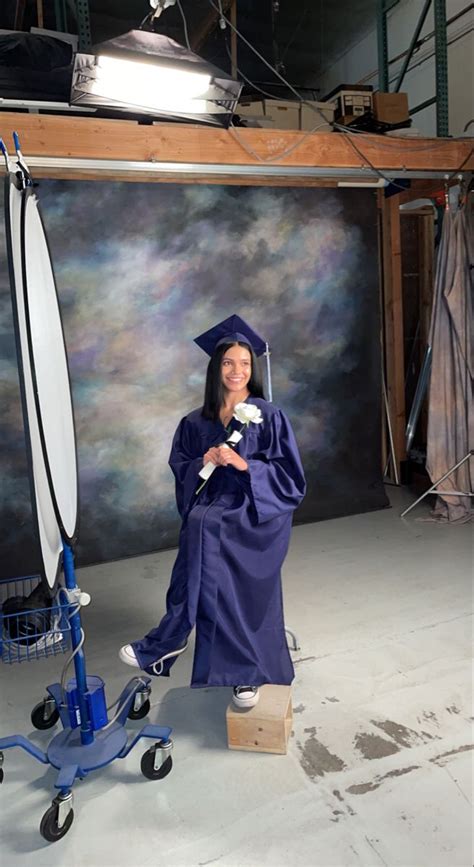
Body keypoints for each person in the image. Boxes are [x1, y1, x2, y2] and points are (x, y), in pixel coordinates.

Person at [119, 314, 306, 709]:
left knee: (229, 575)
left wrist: (244, 466)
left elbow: (291, 479)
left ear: (252, 370)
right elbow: (181, 468)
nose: (236, 371)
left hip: (254, 515)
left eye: (244, 364)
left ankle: (236, 668)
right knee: (200, 534)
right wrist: (202, 461)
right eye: (227, 363)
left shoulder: (269, 417)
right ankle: (173, 639)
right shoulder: (193, 422)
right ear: (215, 368)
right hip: (209, 509)